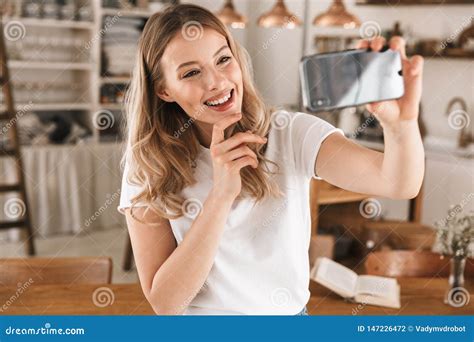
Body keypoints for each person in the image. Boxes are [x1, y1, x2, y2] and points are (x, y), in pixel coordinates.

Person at [117, 4, 424, 315]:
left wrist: (401, 125)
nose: (216, 82)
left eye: (223, 59)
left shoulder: (290, 134)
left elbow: (399, 183)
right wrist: (221, 196)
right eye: (192, 72)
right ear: (164, 90)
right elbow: (165, 303)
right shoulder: (147, 162)